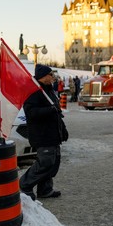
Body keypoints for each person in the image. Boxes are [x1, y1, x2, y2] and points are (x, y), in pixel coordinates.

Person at [20, 64, 69, 200]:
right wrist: (49, 110)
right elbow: (30, 112)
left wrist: (63, 130)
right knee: (45, 162)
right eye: (50, 75)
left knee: (54, 163)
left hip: (53, 134)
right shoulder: (33, 91)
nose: (52, 77)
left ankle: (45, 189)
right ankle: (24, 185)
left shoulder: (49, 90)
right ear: (43, 76)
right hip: (42, 134)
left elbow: (57, 112)